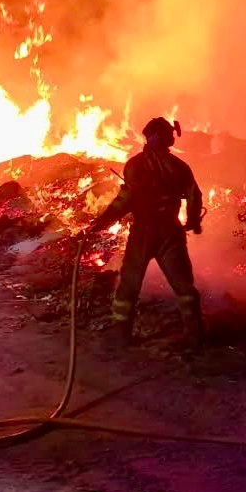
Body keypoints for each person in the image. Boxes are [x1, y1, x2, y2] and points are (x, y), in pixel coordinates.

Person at [88, 117, 206, 349]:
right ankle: (196, 335)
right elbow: (195, 196)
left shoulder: (135, 165)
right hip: (171, 231)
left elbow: (124, 200)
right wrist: (193, 221)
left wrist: (101, 222)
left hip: (143, 232)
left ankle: (121, 336)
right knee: (184, 285)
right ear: (167, 139)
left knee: (130, 284)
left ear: (149, 137)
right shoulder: (180, 167)